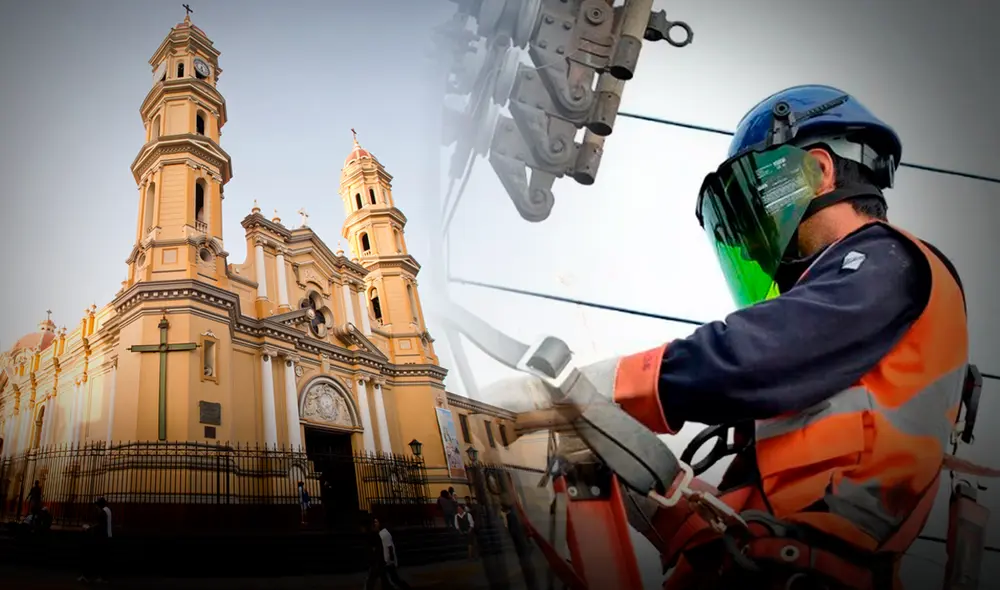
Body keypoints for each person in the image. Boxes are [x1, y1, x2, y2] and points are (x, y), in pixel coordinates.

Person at [485, 85, 970, 589]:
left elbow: (752, 356)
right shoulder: (838, 353)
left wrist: (590, 392)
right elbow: (765, 485)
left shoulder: (887, 262)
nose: (754, 232)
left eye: (759, 198)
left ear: (819, 171)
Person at [364, 518, 411, 589]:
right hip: (382, 562)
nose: (374, 525)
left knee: (390, 579)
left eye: (376, 523)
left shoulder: (384, 534)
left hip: (385, 561)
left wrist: (390, 560)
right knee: (385, 579)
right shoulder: (378, 534)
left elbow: (389, 547)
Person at [78, 497, 113, 584]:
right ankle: (102, 577)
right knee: (104, 558)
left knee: (99, 557)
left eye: (97, 505)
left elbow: (100, 525)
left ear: (100, 505)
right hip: (108, 536)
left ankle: (97, 577)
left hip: (103, 538)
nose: (96, 507)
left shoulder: (102, 512)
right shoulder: (108, 510)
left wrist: (89, 528)